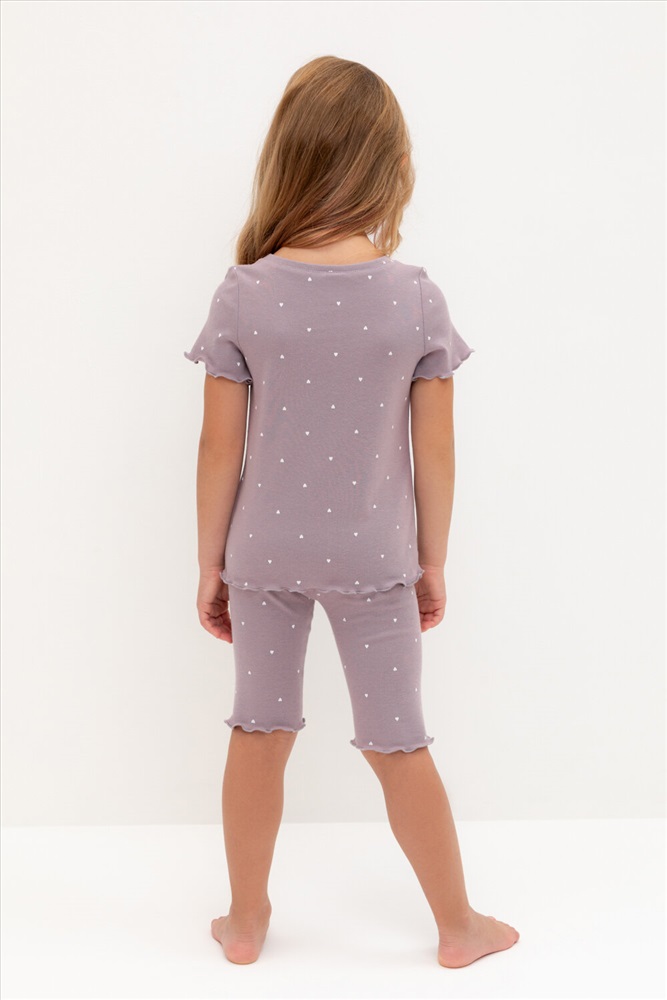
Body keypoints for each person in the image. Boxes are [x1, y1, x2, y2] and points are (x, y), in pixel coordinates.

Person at [183, 55, 519, 969]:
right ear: (390, 166)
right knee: (398, 741)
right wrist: (432, 561)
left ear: (287, 158)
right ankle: (458, 926)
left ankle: (243, 922)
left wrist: (211, 563)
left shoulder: (244, 292)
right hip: (374, 556)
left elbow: (217, 449)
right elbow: (436, 454)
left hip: (263, 552)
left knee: (258, 730)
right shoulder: (413, 298)